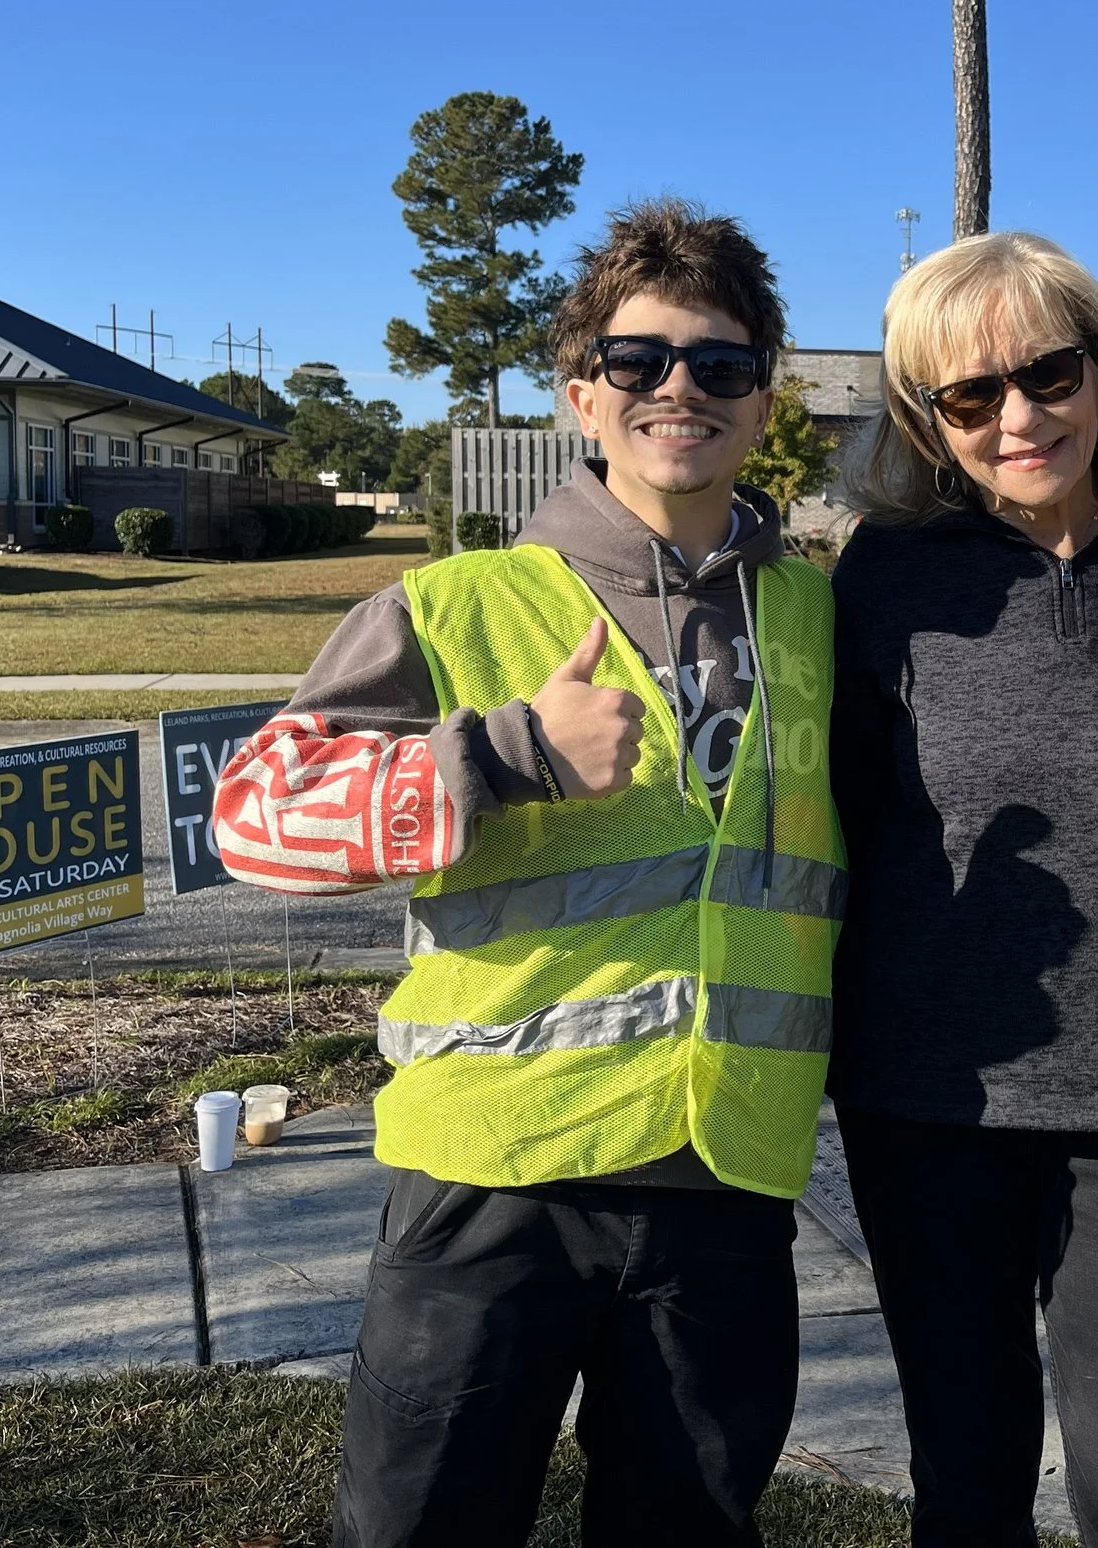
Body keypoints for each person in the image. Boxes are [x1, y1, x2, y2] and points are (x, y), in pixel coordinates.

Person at [211, 198, 843, 1548]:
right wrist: (499, 755)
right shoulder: (450, 608)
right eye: (640, 361)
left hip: (725, 1180)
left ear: (762, 400)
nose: (681, 388)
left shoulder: (810, 612)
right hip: (495, 1184)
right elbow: (253, 818)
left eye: (720, 364)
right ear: (582, 396)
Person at [828, 231, 1098, 1548]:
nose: (1019, 417)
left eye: (1048, 373)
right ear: (923, 418)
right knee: (970, 1477)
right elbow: (836, 813)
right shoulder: (885, 577)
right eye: (969, 397)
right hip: (931, 1100)